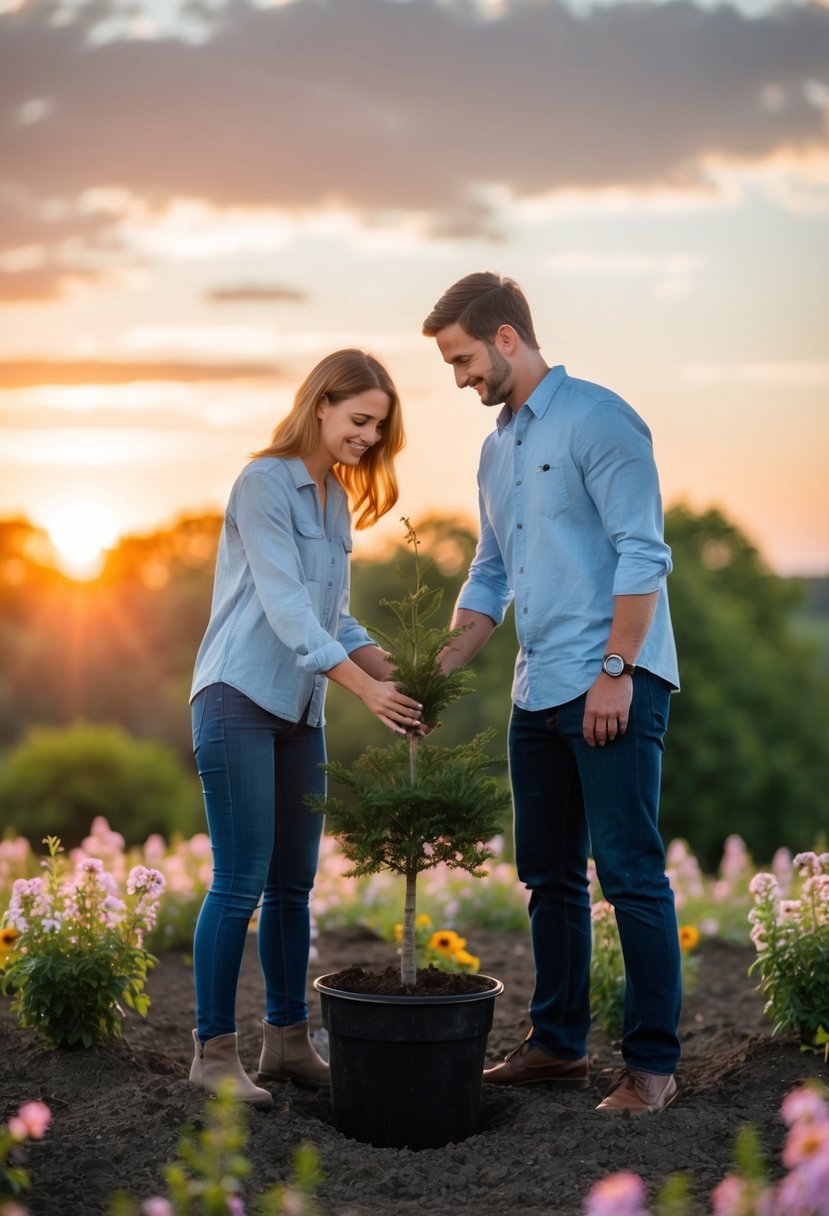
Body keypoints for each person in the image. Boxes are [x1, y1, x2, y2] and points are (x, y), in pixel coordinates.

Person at [422, 273, 682, 1116]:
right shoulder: (495, 449)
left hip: (610, 679)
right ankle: (557, 1046)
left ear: (505, 338)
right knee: (548, 876)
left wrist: (615, 673)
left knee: (631, 874)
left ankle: (651, 1068)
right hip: (535, 690)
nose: (459, 379)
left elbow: (643, 554)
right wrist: (441, 661)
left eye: (462, 359)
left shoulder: (600, 419)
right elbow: (490, 569)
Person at [188, 349, 423, 1108]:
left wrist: (394, 674)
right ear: (319, 404)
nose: (366, 437)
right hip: (237, 696)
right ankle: (212, 1053)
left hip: (298, 710)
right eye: (359, 420)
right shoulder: (263, 484)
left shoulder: (332, 499)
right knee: (239, 882)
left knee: (294, 886)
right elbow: (288, 610)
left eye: (378, 428)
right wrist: (363, 692)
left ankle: (288, 1043)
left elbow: (333, 616)